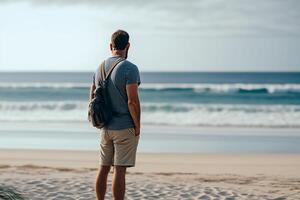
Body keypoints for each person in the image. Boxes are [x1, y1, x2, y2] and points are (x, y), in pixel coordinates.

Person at [89, 30, 141, 200]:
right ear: (128, 46)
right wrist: (137, 125)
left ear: (110, 46)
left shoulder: (99, 68)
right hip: (124, 126)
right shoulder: (130, 68)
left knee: (103, 168)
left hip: (105, 127)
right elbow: (132, 101)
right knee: (119, 170)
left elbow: (92, 98)